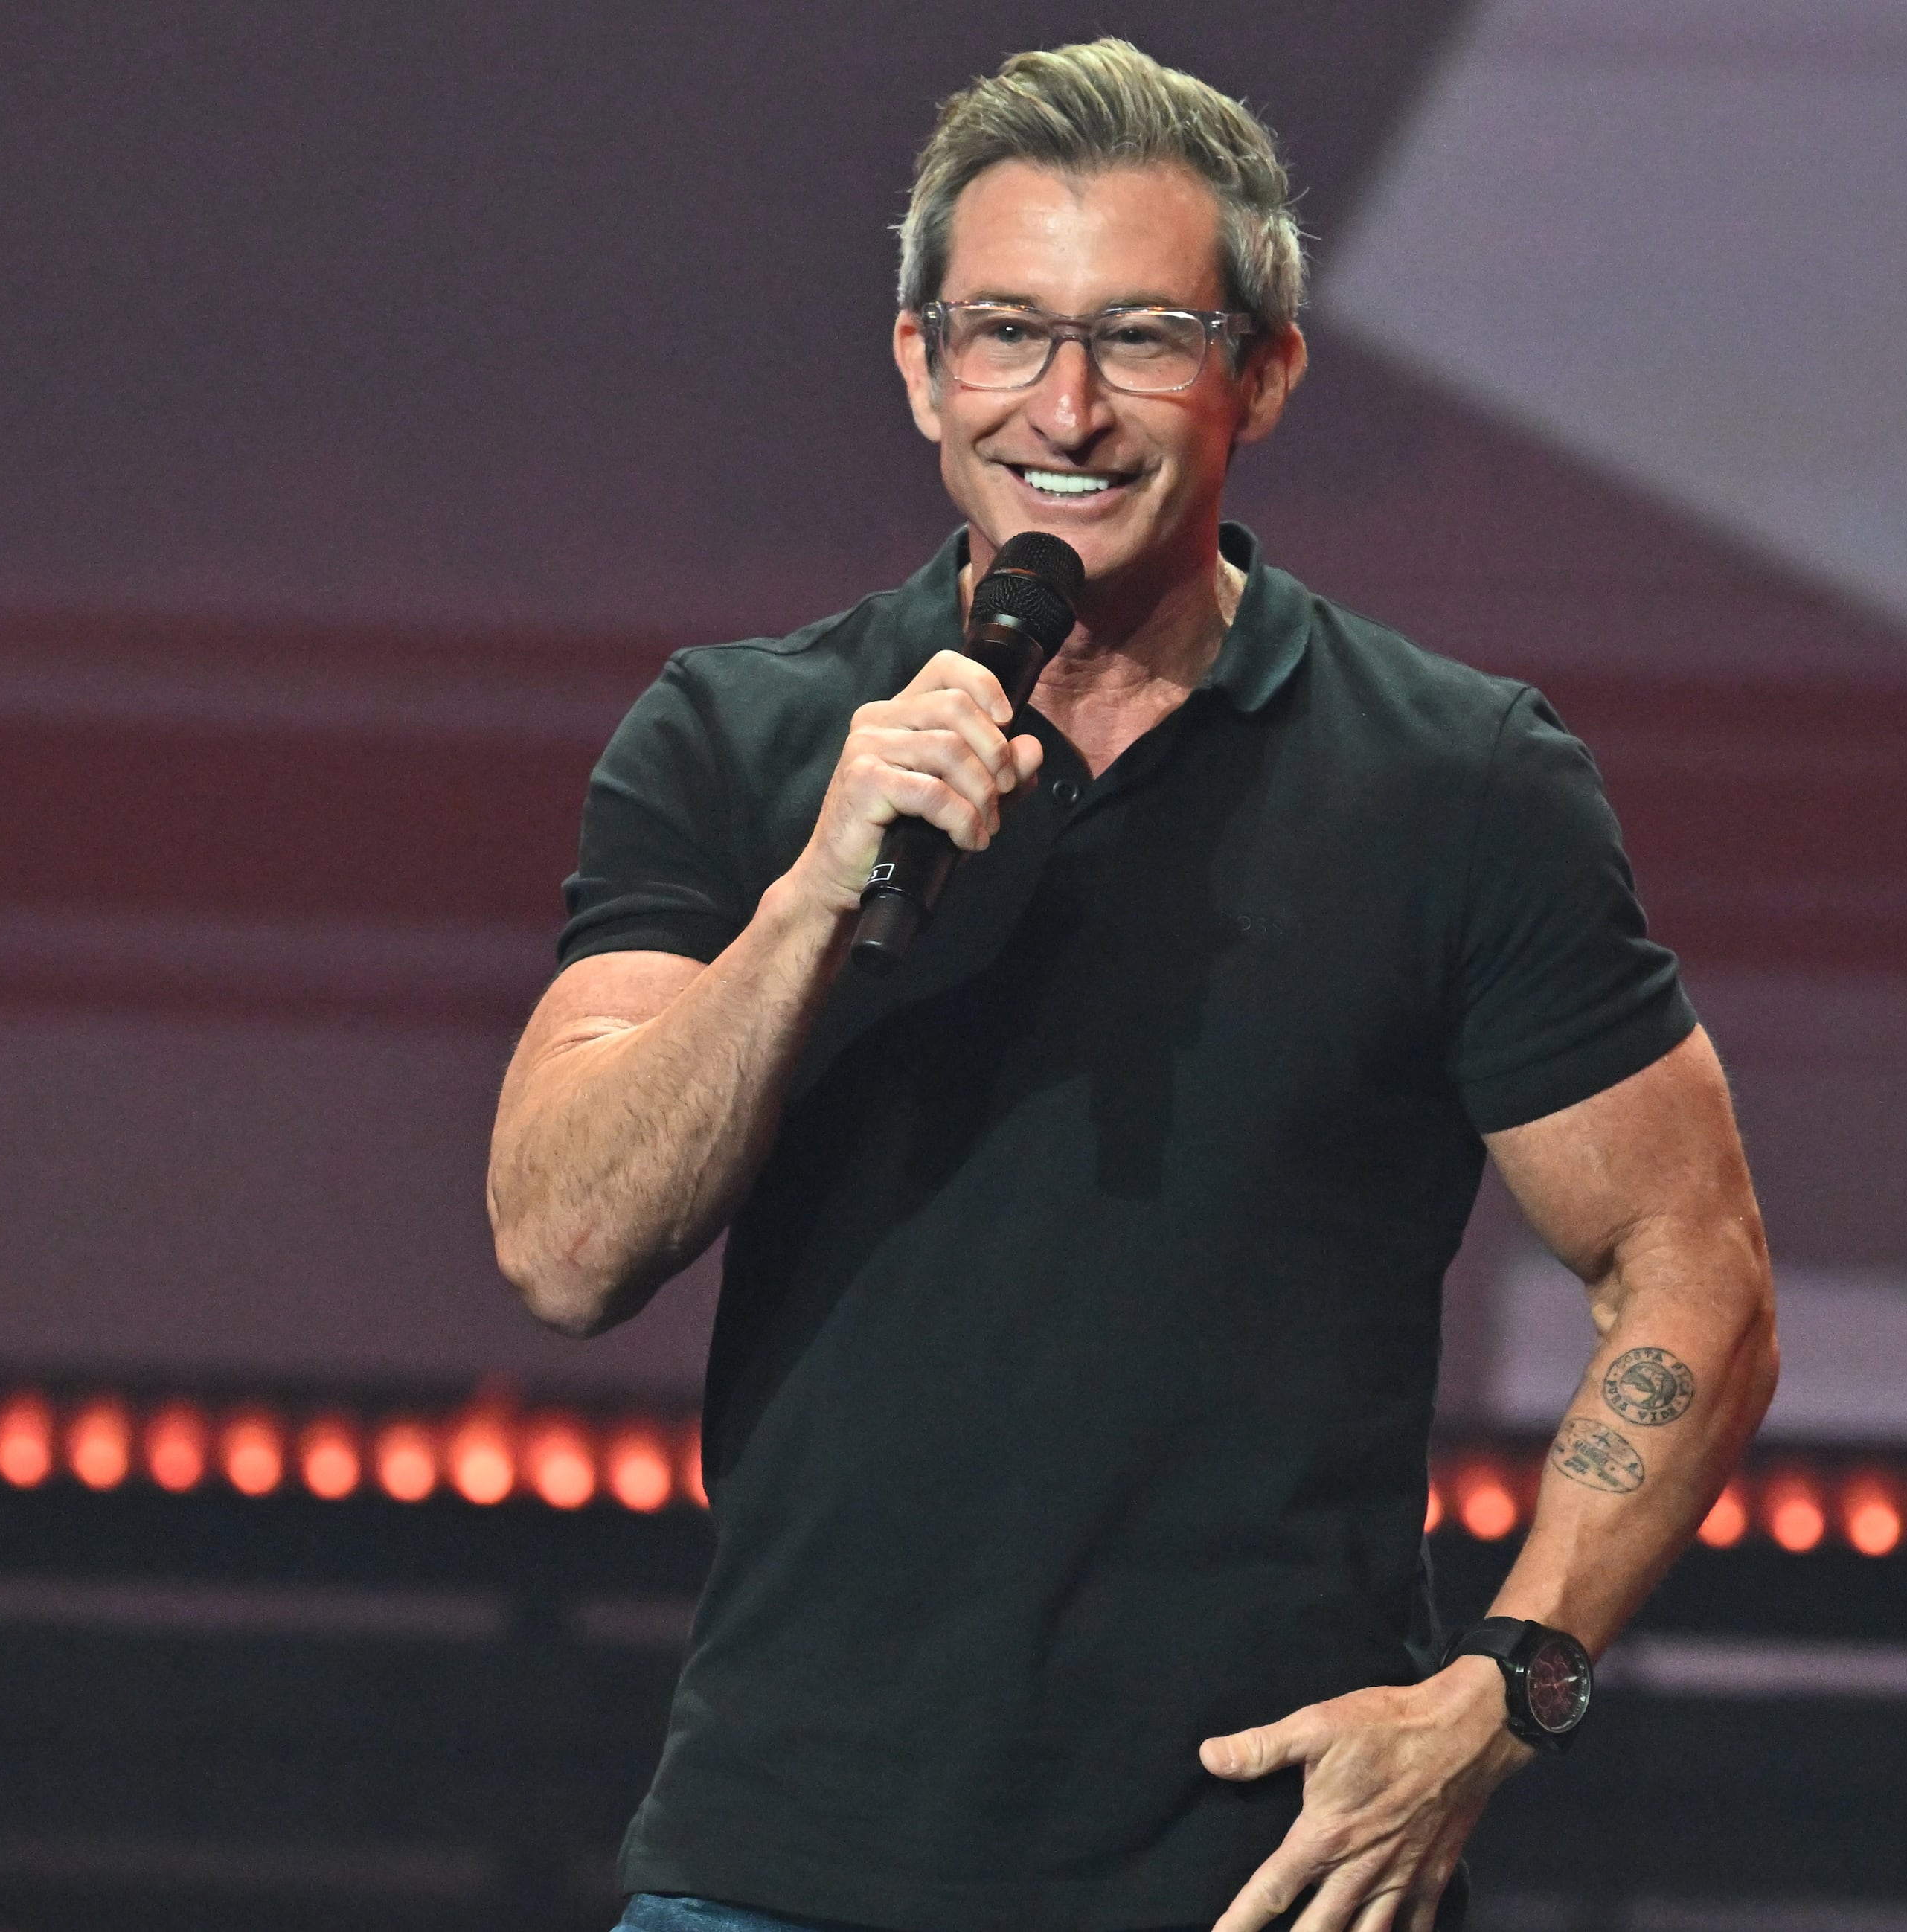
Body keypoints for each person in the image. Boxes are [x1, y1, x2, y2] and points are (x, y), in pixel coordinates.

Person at [487, 38, 1776, 1932]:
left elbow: (1697, 1273)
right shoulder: (740, 741)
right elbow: (564, 1243)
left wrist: (1504, 1697)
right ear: (921, 360)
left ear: (1265, 369)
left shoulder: (1457, 782)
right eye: (1005, 332)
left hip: (1259, 1887)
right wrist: (812, 902)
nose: (1064, 409)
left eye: (1143, 337)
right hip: (786, 1870)